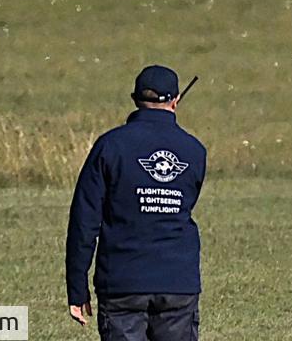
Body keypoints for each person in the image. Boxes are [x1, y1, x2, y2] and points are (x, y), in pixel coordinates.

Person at [66, 65, 207, 340]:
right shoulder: (194, 150)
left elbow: (84, 221)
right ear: (176, 100)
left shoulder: (110, 146)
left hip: (121, 282)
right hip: (177, 282)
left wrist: (77, 287)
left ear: (134, 99)